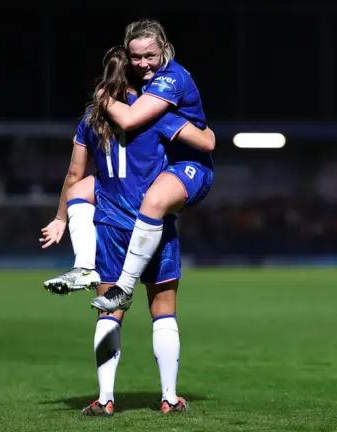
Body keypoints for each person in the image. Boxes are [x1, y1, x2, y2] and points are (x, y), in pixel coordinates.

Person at [40, 46, 214, 415]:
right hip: (152, 227)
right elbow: (204, 142)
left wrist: (60, 218)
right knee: (163, 310)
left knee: (109, 314)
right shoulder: (157, 115)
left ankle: (105, 399)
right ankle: (169, 397)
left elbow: (75, 178)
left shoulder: (91, 117)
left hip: (110, 225)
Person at [90, 19, 215, 312]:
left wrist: (101, 97)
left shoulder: (169, 80)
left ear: (166, 50)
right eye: (136, 57)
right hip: (163, 168)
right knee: (82, 189)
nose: (144, 63)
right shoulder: (142, 87)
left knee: (153, 202)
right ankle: (82, 264)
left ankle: (124, 286)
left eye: (150, 56)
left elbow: (130, 120)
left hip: (189, 166)